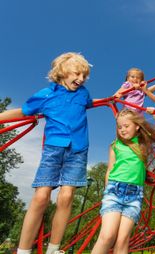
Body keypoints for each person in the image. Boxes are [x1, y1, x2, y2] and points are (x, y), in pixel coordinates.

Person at [0, 52, 93, 254]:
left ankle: (54, 249)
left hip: (78, 149)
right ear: (62, 72)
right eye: (77, 73)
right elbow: (23, 111)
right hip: (54, 149)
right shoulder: (45, 95)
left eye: (85, 75)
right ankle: (23, 250)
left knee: (66, 196)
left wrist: (117, 95)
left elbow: (95, 102)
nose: (81, 79)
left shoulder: (83, 94)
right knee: (41, 197)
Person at [91, 107, 155, 254]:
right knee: (107, 236)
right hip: (114, 191)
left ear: (137, 126)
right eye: (119, 127)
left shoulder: (142, 143)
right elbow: (110, 170)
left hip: (135, 195)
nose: (123, 130)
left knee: (123, 240)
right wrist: (106, 192)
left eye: (126, 126)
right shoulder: (115, 146)